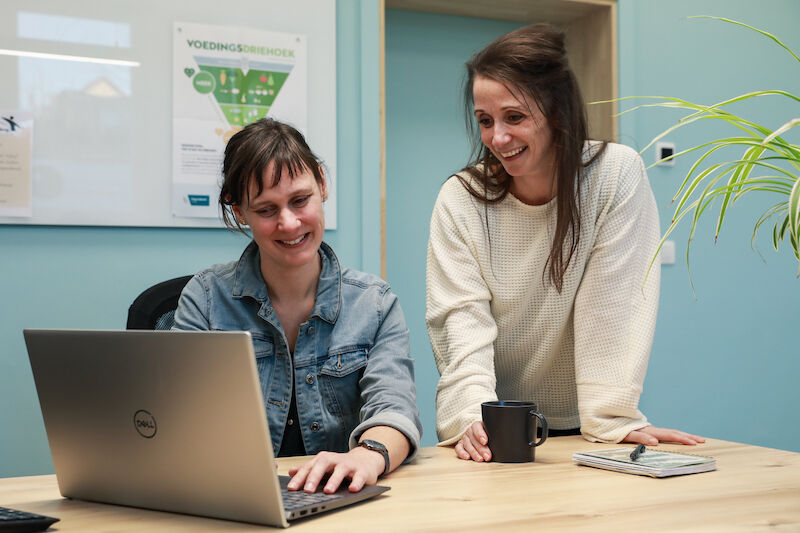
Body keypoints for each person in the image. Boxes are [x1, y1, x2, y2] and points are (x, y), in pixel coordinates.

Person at [425, 24, 704, 462]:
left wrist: (613, 419)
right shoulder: (460, 199)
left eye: (514, 117)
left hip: (583, 428)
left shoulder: (614, 176)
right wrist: (469, 417)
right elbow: (460, 322)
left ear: (557, 111)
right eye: (485, 120)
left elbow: (612, 309)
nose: (497, 138)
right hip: (496, 426)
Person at [174, 118, 422, 490]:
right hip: (234, 496)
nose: (289, 223)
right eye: (266, 210)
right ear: (239, 211)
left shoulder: (374, 304)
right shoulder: (205, 299)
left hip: (338, 499)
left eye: (300, 200)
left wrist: (366, 456)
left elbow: (395, 407)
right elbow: (178, 417)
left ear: (322, 184)